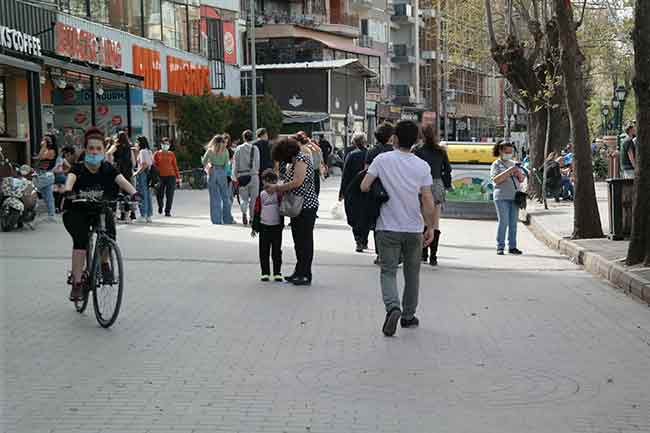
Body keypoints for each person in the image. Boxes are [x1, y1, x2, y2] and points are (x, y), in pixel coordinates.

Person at [360, 120, 435, 337]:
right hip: (413, 228)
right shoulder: (422, 166)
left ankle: (393, 307)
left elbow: (364, 185)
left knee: (388, 271)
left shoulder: (382, 160)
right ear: (416, 141)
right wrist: (429, 226)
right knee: (413, 274)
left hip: (387, 226)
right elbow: (427, 198)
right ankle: (408, 316)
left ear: (395, 138)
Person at [62, 127, 138, 301]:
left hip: (99, 209)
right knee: (80, 240)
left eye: (98, 149)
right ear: (85, 150)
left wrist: (134, 193)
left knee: (107, 233)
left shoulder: (108, 168)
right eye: (91, 148)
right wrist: (68, 190)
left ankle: (104, 265)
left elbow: (121, 180)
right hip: (76, 209)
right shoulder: (78, 168)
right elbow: (71, 179)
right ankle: (77, 283)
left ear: (104, 151)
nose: (94, 152)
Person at [269, 137, 319, 286]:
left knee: (304, 241)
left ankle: (305, 274)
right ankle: (299, 271)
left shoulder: (301, 159)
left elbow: (297, 181)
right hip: (299, 206)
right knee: (299, 241)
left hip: (306, 205)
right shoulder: (295, 160)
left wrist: (277, 188)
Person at [413, 124, 452, 266]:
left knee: (423, 220)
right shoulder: (441, 151)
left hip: (421, 185)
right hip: (437, 184)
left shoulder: (416, 150)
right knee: (435, 221)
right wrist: (447, 185)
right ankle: (433, 256)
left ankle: (423, 253)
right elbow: (448, 169)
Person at [365, 122, 395, 264]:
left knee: (378, 223)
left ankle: (380, 254)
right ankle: (393, 253)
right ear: (391, 137)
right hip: (394, 190)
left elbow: (366, 172)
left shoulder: (372, 152)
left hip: (376, 192)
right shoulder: (395, 152)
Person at [490, 141, 525, 256]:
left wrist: (518, 172)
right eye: (506, 152)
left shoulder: (514, 163)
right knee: (503, 222)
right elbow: (496, 180)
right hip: (501, 197)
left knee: (513, 223)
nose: (509, 154)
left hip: (514, 197)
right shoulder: (496, 164)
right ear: (500, 151)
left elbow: (521, 179)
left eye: (510, 152)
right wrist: (509, 171)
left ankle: (512, 246)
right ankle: (500, 246)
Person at [251, 169, 284, 282]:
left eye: (272, 181)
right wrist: (255, 227)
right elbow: (257, 211)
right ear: (263, 182)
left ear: (276, 182)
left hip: (276, 226)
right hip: (264, 226)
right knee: (263, 251)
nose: (269, 184)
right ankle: (265, 272)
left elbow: (283, 209)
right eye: (267, 181)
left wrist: (282, 224)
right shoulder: (261, 195)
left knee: (277, 251)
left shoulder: (279, 194)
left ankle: (277, 272)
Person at [339, 132, 369, 252]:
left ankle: (358, 240)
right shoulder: (369, 154)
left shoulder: (351, 155)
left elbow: (345, 175)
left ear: (354, 142)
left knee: (354, 215)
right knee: (365, 215)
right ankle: (364, 239)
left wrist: (341, 192)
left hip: (352, 190)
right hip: (367, 189)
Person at [202, 134, 234, 225]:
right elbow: (227, 166)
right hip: (222, 172)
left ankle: (216, 220)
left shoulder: (210, 151)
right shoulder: (226, 151)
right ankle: (227, 219)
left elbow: (204, 161)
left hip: (212, 172)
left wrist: (209, 165)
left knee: (214, 197)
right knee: (225, 196)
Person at [108, 131, 137, 221]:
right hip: (127, 172)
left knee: (114, 192)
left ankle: (113, 215)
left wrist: (111, 163)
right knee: (126, 193)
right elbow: (134, 162)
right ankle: (126, 216)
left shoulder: (116, 146)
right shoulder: (129, 147)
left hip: (117, 171)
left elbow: (108, 153)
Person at [233, 130, 260, 225]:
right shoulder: (255, 148)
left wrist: (235, 177)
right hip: (253, 176)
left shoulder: (238, 149)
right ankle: (252, 218)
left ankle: (244, 213)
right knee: (254, 199)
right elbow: (257, 163)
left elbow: (235, 164)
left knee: (243, 199)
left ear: (243, 138)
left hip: (242, 176)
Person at [153, 137, 180, 216]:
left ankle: (167, 211)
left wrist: (178, 177)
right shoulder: (157, 154)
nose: (166, 145)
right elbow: (154, 165)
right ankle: (160, 206)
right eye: (164, 144)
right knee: (159, 194)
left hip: (171, 176)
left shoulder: (171, 154)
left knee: (170, 194)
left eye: (167, 144)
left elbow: (175, 166)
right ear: (161, 144)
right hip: (160, 176)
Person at [34, 134, 58, 222]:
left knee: (32, 189)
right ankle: (51, 215)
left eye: (46, 140)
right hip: (42, 174)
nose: (43, 141)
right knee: (48, 196)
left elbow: (40, 157)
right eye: (43, 139)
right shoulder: (48, 150)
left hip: (46, 175)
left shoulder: (52, 151)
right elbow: (39, 158)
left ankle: (32, 211)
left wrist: (43, 147)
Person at [133, 136, 154, 223]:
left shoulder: (142, 152)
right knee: (147, 195)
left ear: (140, 143)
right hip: (148, 174)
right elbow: (150, 163)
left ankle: (143, 215)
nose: (136, 144)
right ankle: (148, 215)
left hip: (142, 174)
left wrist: (136, 173)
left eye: (137, 142)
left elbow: (143, 164)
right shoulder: (149, 151)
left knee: (141, 194)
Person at [53, 146, 78, 211]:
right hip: (61, 177)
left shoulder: (57, 158)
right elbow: (69, 167)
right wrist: (64, 171)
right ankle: (62, 206)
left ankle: (57, 207)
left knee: (58, 192)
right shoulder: (61, 159)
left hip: (56, 177)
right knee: (63, 191)